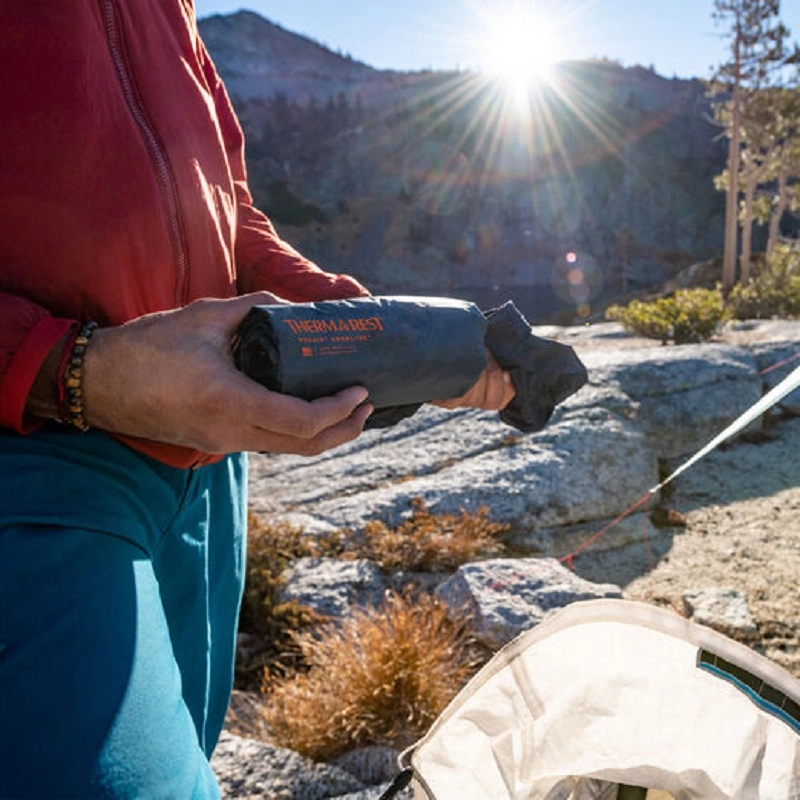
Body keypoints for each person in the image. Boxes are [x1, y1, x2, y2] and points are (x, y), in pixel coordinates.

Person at [0, 4, 514, 797]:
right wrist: (80, 370)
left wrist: (382, 333)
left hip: (211, 474)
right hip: (39, 454)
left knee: (191, 743)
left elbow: (229, 212)